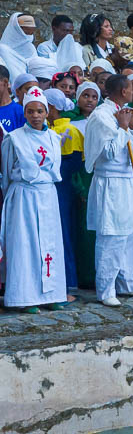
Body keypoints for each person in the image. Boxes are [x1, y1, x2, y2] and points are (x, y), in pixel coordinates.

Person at [85, 74, 133, 307]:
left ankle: (128, 282)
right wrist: (122, 128)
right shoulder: (101, 116)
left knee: (131, 234)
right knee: (112, 236)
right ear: (122, 91)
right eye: (130, 87)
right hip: (111, 182)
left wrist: (131, 126)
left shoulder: (125, 112)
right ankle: (106, 289)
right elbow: (108, 153)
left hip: (128, 182)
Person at [1, 86, 68, 312]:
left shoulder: (53, 137)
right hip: (24, 197)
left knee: (51, 245)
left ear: (47, 112)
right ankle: (25, 297)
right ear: (25, 113)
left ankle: (52, 293)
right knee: (26, 245)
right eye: (30, 111)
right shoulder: (14, 139)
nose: (36, 116)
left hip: (47, 194)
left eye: (40, 111)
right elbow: (7, 170)